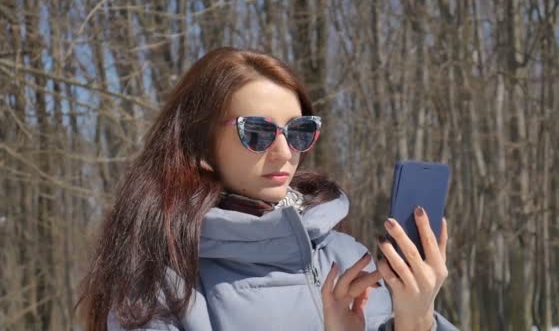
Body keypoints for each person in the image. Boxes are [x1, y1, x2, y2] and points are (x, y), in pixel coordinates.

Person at [77, 47, 458, 331]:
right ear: (201, 144)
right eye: (257, 133)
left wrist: (417, 317)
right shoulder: (164, 284)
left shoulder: (347, 257)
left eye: (299, 131)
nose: (283, 151)